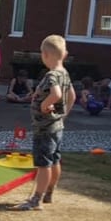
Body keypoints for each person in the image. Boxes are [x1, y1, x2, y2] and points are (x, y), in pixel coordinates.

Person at [11, 35, 75, 211]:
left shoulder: (52, 75)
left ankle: (36, 199)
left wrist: (44, 105)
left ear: (45, 55)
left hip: (44, 128)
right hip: (56, 127)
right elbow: (72, 96)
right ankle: (49, 192)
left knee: (43, 164)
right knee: (54, 160)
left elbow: (57, 94)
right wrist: (63, 115)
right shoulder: (64, 73)